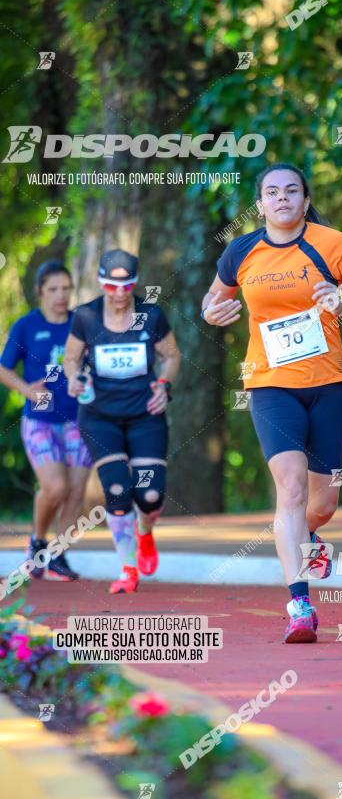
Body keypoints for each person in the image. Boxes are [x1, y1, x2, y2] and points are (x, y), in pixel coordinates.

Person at [201, 163, 342, 643]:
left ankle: (311, 535)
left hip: (326, 381)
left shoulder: (331, 243)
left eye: (291, 191)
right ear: (260, 204)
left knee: (321, 503)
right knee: (290, 489)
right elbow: (212, 301)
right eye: (271, 192)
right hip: (268, 384)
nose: (282, 199)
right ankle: (299, 604)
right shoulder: (240, 251)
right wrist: (214, 312)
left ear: (305, 201)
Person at [63, 248, 180, 594]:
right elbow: (71, 358)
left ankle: (145, 532)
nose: (118, 294)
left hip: (145, 415)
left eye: (126, 286)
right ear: (101, 283)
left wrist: (164, 384)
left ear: (134, 284)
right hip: (99, 417)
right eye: (111, 286)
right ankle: (128, 569)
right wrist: (73, 378)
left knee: (150, 495)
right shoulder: (86, 316)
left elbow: (171, 355)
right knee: (116, 489)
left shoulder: (150, 314)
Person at [0, 260, 92, 581]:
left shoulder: (81, 323)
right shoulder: (26, 326)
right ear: (40, 291)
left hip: (78, 419)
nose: (60, 296)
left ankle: (57, 556)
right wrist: (26, 390)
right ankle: (37, 542)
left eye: (66, 289)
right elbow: (3, 368)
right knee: (56, 487)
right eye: (53, 289)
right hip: (39, 420)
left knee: (77, 493)